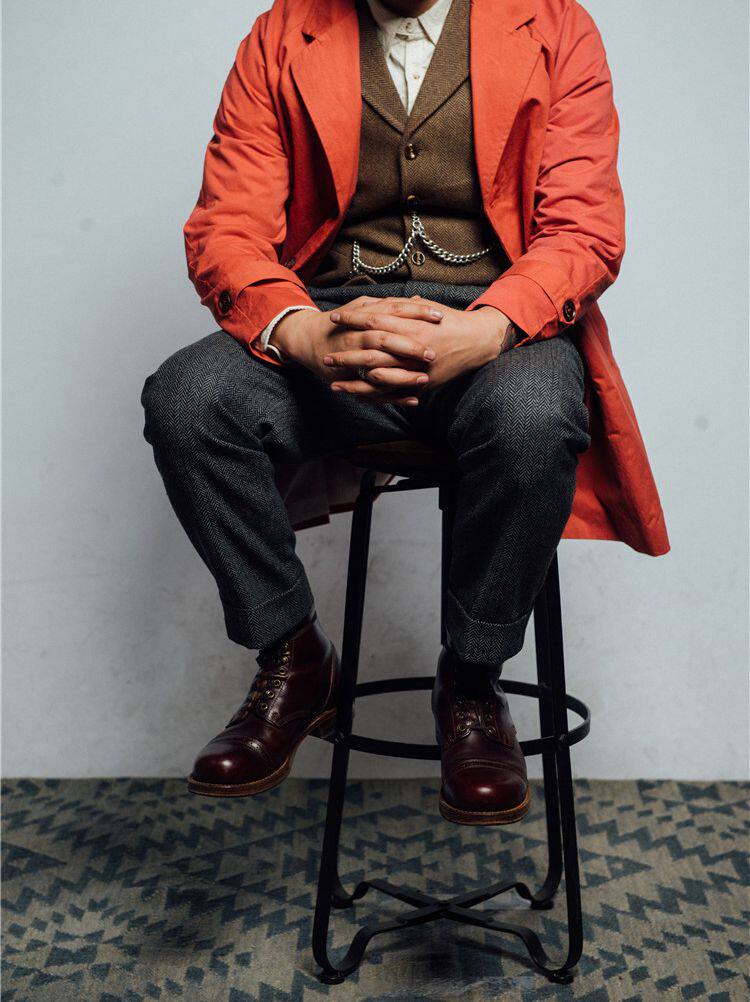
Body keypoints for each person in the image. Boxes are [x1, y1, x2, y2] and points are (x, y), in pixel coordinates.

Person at [141, 0, 669, 826]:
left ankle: (471, 680)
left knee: (535, 416)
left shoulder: (555, 24)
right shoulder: (282, 32)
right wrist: (305, 333)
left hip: (498, 331)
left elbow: (584, 229)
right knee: (187, 399)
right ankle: (293, 653)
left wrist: (488, 329)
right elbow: (227, 225)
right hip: (335, 325)